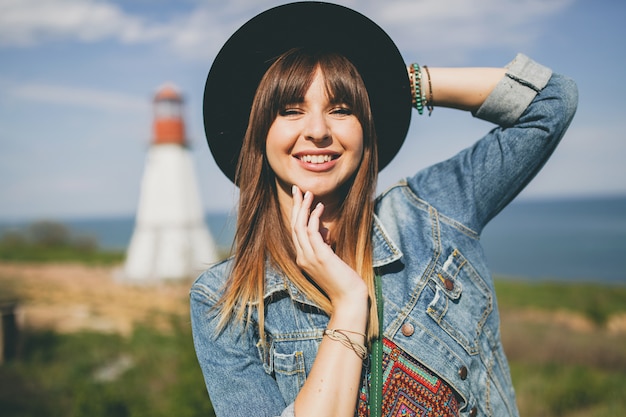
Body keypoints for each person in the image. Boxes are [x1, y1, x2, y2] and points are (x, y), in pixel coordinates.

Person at [190, 3, 578, 417]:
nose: (318, 131)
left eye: (341, 109)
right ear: (259, 133)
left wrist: (401, 84)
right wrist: (350, 303)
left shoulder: (429, 213)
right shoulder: (224, 302)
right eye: (290, 110)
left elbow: (553, 101)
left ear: (365, 126)